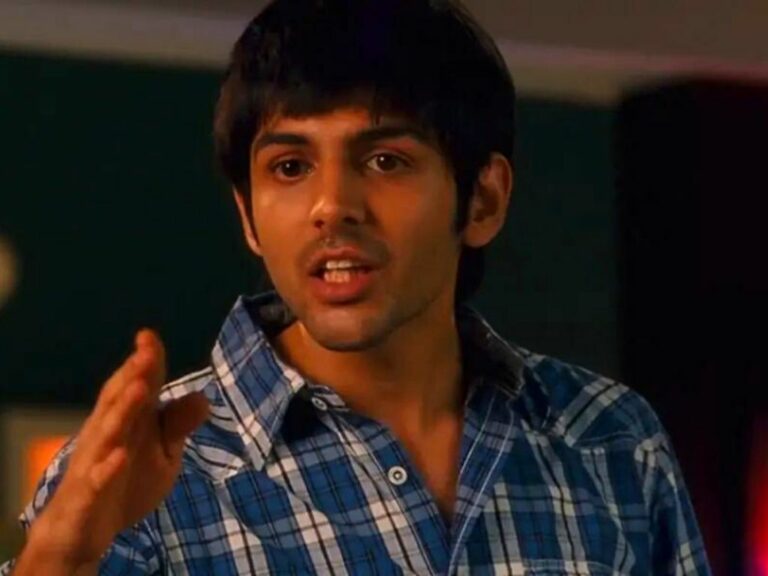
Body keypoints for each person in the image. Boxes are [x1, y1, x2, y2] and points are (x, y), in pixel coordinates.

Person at [2, 0, 711, 574]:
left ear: (483, 199)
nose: (332, 206)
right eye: (290, 167)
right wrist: (61, 563)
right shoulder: (143, 481)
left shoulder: (612, 439)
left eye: (384, 160)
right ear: (247, 216)